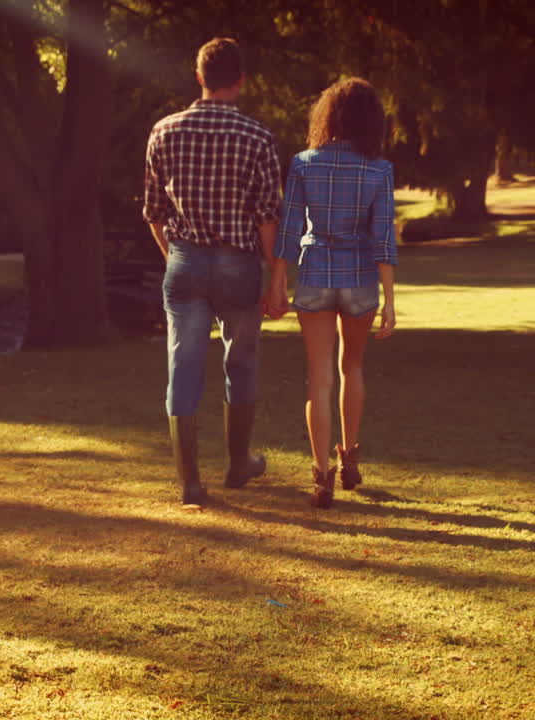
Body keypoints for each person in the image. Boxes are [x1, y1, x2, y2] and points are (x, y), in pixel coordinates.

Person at [143, 38, 282, 505]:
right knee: (239, 363)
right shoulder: (258, 137)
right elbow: (267, 216)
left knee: (182, 365)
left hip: (184, 259)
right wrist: (274, 277)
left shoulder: (164, 131)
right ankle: (238, 463)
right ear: (240, 80)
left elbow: (154, 212)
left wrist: (174, 256)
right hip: (238, 264)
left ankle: (189, 483)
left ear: (199, 77)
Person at [266, 78, 397, 510]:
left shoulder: (304, 163)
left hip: (317, 274)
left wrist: (278, 279)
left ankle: (321, 476)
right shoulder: (379, 170)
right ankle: (350, 457)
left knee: (319, 377)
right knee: (352, 366)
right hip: (359, 279)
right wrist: (390, 301)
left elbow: (288, 227)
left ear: (328, 116)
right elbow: (382, 240)